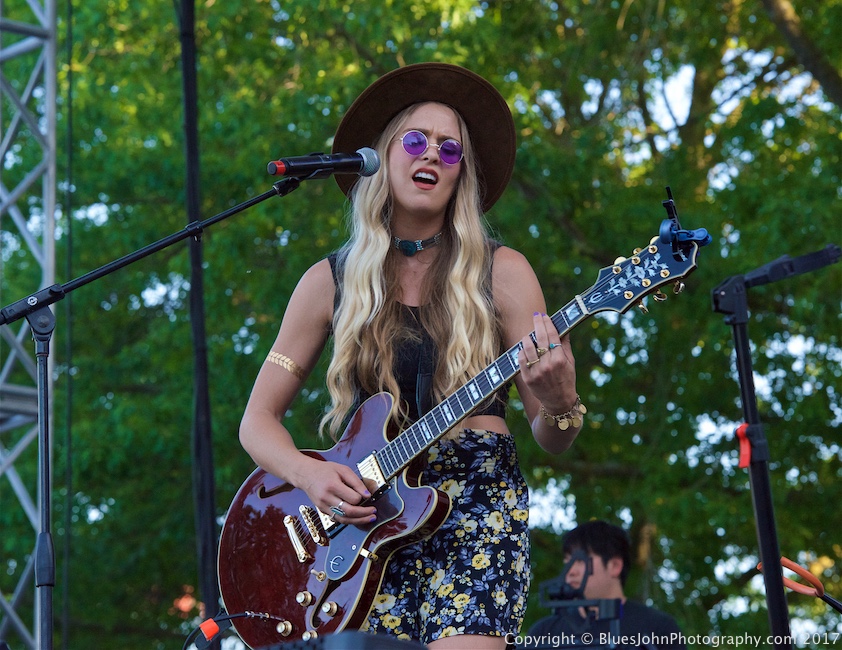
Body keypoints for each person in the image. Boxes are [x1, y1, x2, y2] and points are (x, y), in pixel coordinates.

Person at [239, 62, 584, 650]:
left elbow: (554, 435)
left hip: (477, 501)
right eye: (416, 140)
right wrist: (310, 474)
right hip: (364, 524)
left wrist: (561, 402)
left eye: (450, 151)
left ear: (461, 177)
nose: (431, 156)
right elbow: (256, 422)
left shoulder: (504, 272)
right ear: (383, 156)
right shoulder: (328, 283)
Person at [527, 521, 686, 649]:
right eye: (567, 562)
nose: (570, 571)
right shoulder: (544, 632)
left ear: (615, 566)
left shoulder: (658, 628)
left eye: (580, 561)